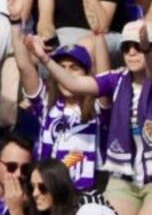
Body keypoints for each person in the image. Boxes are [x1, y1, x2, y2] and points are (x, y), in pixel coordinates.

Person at [42, 21, 152, 215]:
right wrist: (45, 59)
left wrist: (148, 50)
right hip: (124, 179)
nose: (132, 52)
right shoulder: (116, 79)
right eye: (127, 47)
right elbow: (75, 84)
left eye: (138, 46)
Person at [11, 27, 102, 195]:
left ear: (87, 74)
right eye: (61, 67)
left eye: (74, 68)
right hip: (45, 192)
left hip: (81, 195)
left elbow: (104, 78)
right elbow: (24, 66)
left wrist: (99, 37)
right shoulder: (46, 103)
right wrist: (16, 24)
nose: (65, 74)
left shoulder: (97, 108)